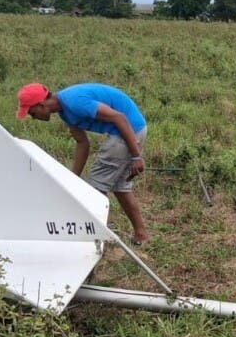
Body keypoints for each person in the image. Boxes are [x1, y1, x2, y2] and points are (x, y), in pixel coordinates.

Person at [17, 82, 150, 245]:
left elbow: (119, 117)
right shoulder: (64, 111)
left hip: (127, 131)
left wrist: (137, 156)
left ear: (41, 104)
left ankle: (93, 240)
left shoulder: (75, 102)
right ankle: (141, 234)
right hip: (130, 130)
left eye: (32, 112)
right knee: (120, 187)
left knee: (94, 189)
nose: (33, 117)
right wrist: (74, 179)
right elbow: (82, 143)